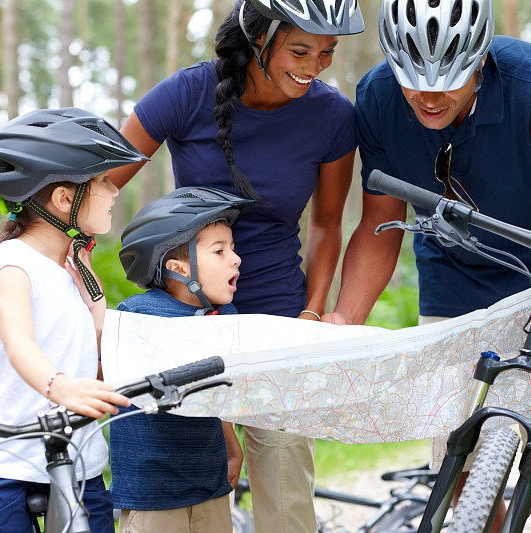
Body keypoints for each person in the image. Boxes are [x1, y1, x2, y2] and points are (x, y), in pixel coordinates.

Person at [322, 0, 531, 531]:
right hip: (453, 275)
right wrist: (343, 323)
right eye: (413, 80)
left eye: (449, 80)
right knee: (458, 465)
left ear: (481, 60)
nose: (429, 96)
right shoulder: (377, 96)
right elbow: (380, 226)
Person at [107, 1, 362, 529]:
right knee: (188, 490)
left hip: (277, 318)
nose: (314, 67)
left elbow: (326, 224)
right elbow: (103, 186)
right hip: (188, 321)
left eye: (327, 53)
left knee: (287, 489)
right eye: (300, 50)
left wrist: (313, 313)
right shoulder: (187, 93)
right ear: (258, 40)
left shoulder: (333, 116)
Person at [0, 108, 145, 532]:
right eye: (103, 180)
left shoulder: (68, 265)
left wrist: (82, 266)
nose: (115, 190)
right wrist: (59, 386)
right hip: (6, 460)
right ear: (64, 199)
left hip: (78, 455)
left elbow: (98, 330)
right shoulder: (11, 263)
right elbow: (19, 341)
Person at [110, 186, 254, 533]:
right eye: (219, 251)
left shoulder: (224, 315)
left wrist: (231, 448)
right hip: (154, 491)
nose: (235, 259)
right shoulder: (139, 314)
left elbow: (215, 395)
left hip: (209, 481)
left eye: (232, 249)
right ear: (177, 267)